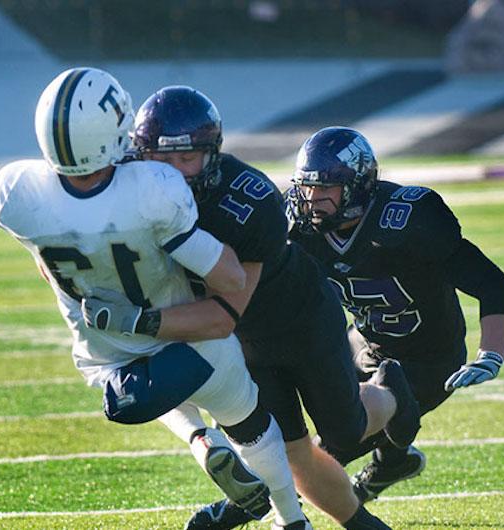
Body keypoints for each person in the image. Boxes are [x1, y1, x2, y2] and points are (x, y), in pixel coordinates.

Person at [0, 68, 311, 530]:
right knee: (251, 423)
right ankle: (291, 520)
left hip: (110, 358)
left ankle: (200, 440)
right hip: (192, 339)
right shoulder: (154, 189)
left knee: (143, 382)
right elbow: (230, 277)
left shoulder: (18, 192)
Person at [81, 86, 416, 529]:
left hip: (297, 316)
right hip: (243, 339)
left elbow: (223, 314)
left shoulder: (251, 200)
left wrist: (139, 322)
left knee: (345, 430)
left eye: (188, 160)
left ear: (212, 155)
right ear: (140, 156)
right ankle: (359, 523)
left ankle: (390, 392)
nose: (176, 174)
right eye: (163, 161)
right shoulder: (123, 182)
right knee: (289, 450)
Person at [286, 126, 504, 502]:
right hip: (362, 342)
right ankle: (393, 459)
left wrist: (491, 353)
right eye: (307, 187)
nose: (313, 200)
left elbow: (493, 284)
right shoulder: (300, 225)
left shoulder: (409, 220)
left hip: (429, 359)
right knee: (299, 407)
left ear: (358, 185)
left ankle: (240, 511)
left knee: (326, 452)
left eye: (326, 188)